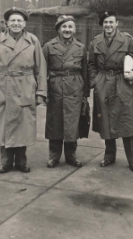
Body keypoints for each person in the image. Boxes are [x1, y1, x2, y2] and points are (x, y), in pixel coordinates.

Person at [0, 7, 47, 173]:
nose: (15, 23)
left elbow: (40, 68)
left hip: (25, 87)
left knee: (23, 126)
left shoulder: (33, 40)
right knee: (4, 125)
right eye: (12, 20)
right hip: (3, 86)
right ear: (7, 22)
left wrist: (41, 92)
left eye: (19, 21)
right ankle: (5, 162)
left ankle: (21, 161)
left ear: (24, 23)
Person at [88, 11, 133, 172]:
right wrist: (95, 81)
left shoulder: (126, 40)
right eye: (105, 23)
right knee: (106, 121)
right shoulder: (95, 42)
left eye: (111, 22)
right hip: (103, 83)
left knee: (127, 121)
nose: (108, 25)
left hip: (122, 83)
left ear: (117, 23)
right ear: (102, 25)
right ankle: (109, 156)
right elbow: (91, 64)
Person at [43, 15, 90, 168]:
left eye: (70, 27)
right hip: (55, 86)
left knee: (72, 123)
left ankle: (71, 155)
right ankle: (54, 156)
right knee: (55, 122)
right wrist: (43, 91)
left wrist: (85, 94)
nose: (67, 30)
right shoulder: (49, 46)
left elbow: (85, 71)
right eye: (64, 27)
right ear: (58, 29)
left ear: (74, 29)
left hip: (75, 87)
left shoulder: (80, 47)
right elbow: (42, 71)